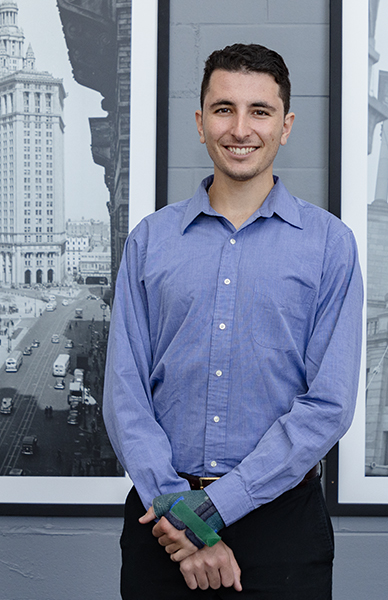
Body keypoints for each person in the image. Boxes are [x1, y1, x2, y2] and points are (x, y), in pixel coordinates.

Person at [103, 43, 363, 600]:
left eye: (260, 111)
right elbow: (125, 395)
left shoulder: (329, 247)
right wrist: (183, 515)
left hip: (282, 528)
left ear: (286, 125)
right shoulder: (150, 241)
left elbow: (328, 405)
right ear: (200, 123)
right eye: (223, 109)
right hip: (161, 519)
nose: (240, 128)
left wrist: (207, 515)